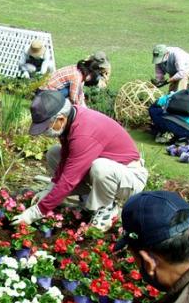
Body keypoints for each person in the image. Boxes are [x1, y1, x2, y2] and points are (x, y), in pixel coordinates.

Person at [13, 90, 147, 232]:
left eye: (46, 127)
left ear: (61, 119)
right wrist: (50, 188)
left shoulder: (84, 134)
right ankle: (88, 198)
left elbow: (69, 179)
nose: (45, 132)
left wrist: (35, 213)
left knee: (100, 168)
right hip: (110, 172)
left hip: (130, 177)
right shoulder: (71, 119)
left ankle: (106, 210)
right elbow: (65, 158)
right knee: (54, 153)